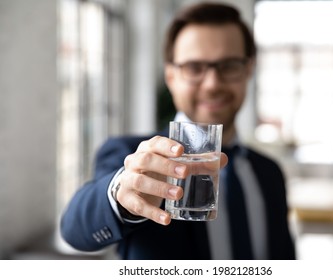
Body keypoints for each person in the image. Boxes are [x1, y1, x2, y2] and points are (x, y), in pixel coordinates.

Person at [60, 2, 295, 260]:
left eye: (229, 66)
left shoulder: (269, 173)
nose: (212, 84)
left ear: (248, 69)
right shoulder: (133, 157)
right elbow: (74, 229)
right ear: (171, 77)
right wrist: (122, 193)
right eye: (194, 68)